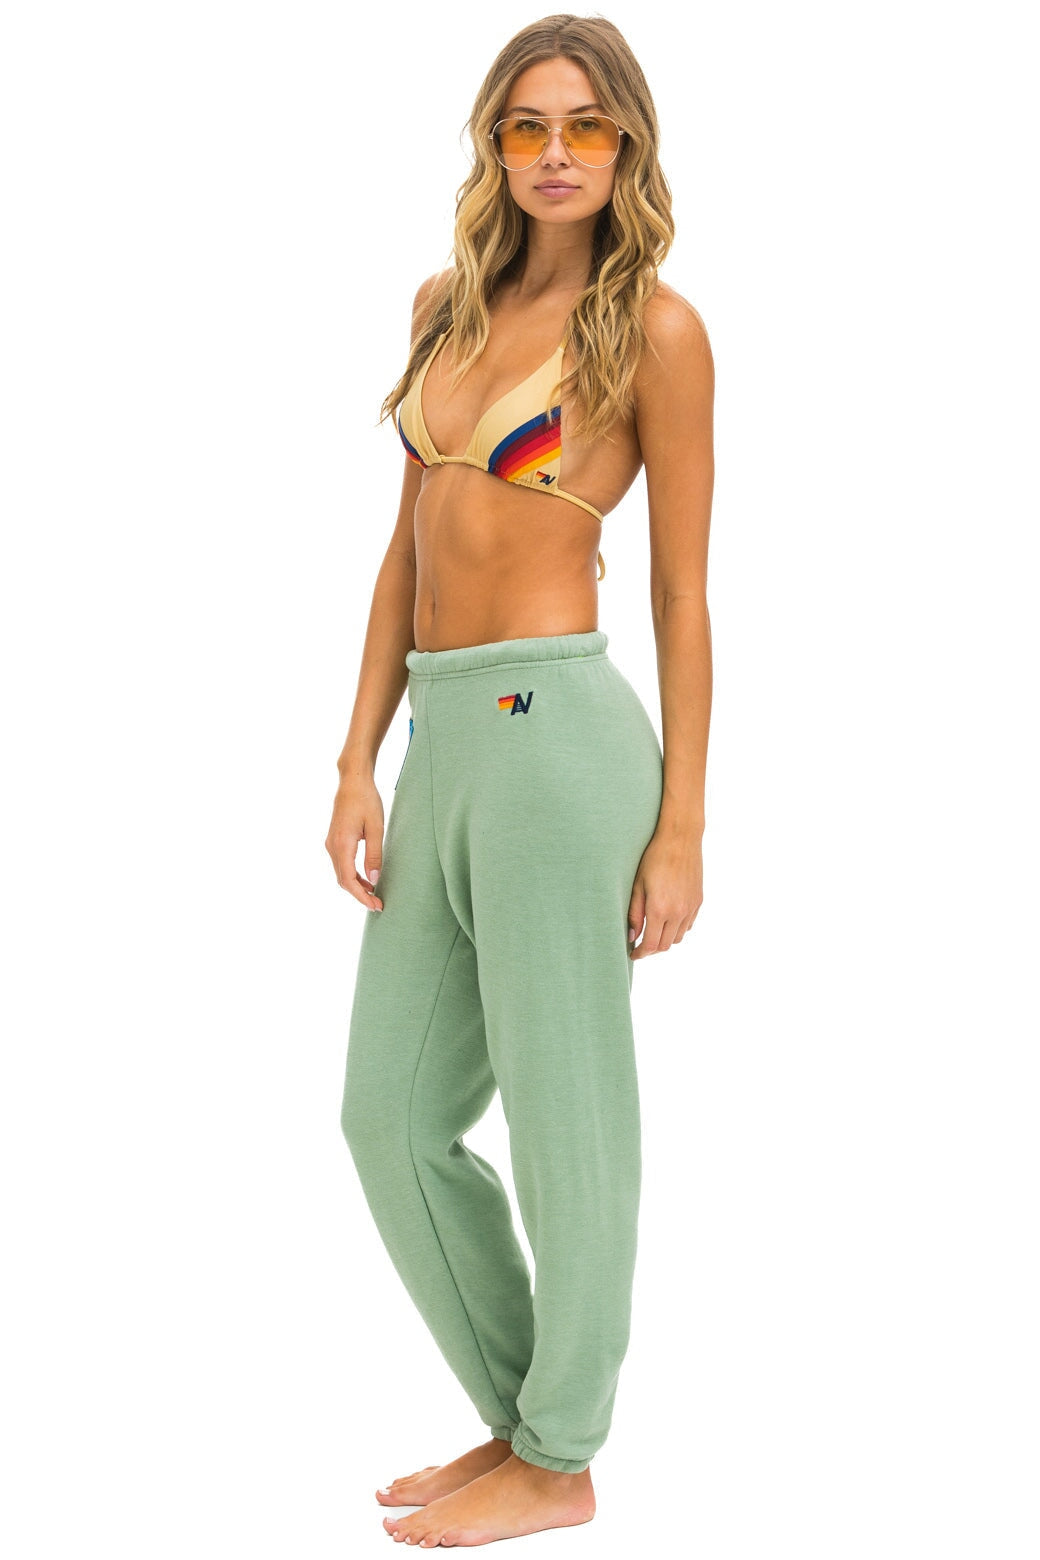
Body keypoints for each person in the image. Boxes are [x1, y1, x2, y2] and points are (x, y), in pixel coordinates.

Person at [325, 12, 713, 1548]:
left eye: (587, 127)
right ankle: (527, 1428)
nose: (557, 154)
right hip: (440, 742)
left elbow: (681, 591)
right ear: (495, 144)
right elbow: (402, 554)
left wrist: (684, 822)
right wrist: (356, 758)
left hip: (560, 741)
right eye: (528, 126)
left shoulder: (656, 332)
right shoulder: (443, 306)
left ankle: (559, 1455)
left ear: (627, 148)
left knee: (566, 1122)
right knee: (389, 1114)